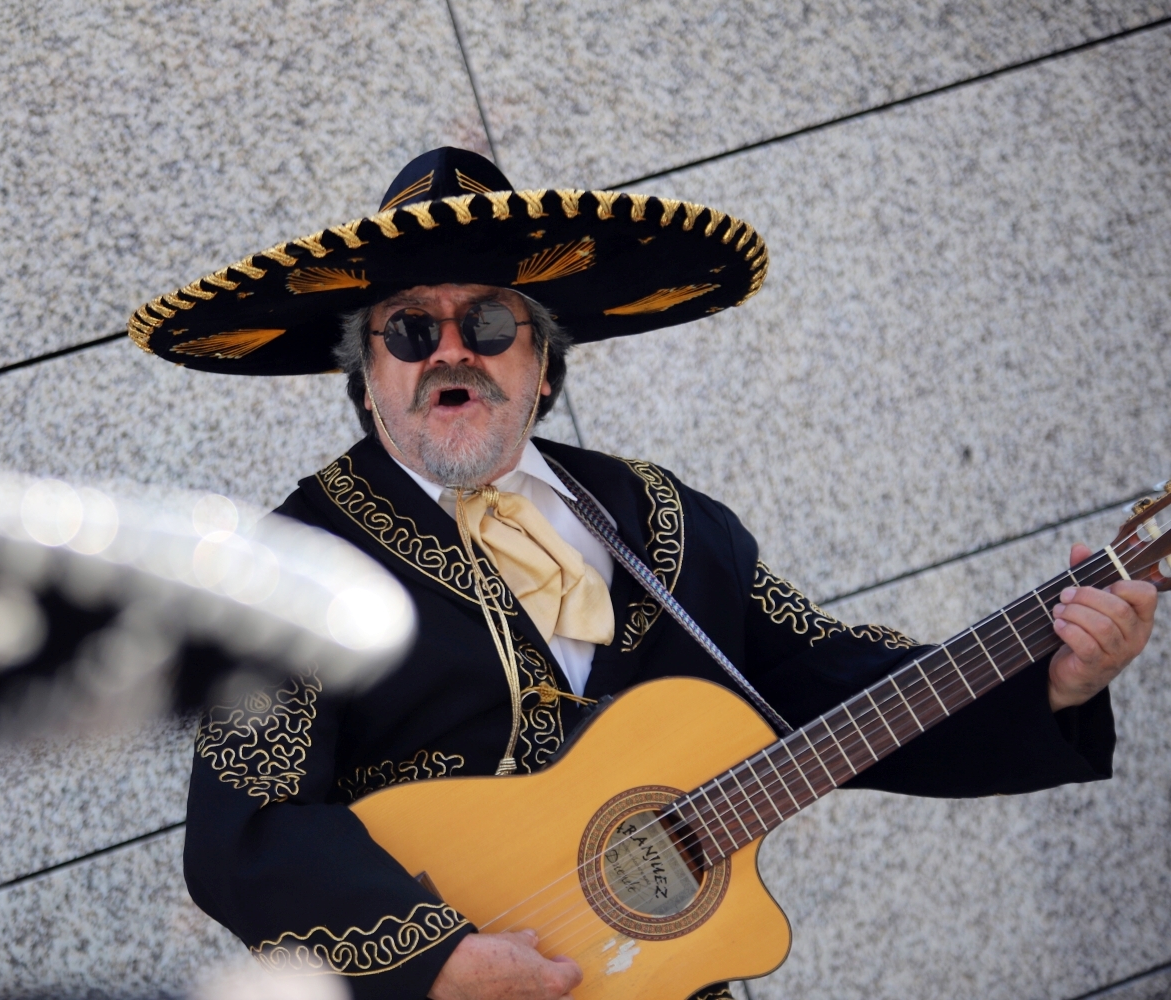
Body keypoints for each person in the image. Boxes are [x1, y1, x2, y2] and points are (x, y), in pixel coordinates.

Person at [131, 148, 1160, 1000]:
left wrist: (1053, 679)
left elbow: (829, 683)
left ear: (541, 361)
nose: (452, 351)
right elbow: (248, 831)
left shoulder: (655, 514)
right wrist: (442, 959)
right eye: (410, 329)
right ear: (367, 377)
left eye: (489, 323)